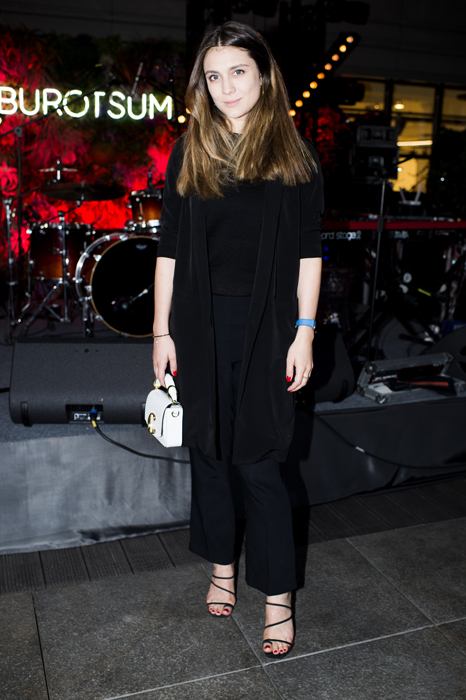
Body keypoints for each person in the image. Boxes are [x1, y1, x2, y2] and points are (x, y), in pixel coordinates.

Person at [152, 20, 323, 659]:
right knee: (207, 452)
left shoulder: (294, 156)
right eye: (214, 76)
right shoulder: (190, 150)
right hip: (196, 325)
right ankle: (221, 565)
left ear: (264, 75)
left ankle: (278, 596)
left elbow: (309, 253)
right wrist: (161, 331)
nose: (226, 87)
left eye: (238, 72)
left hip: (268, 328)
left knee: (259, 461)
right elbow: (169, 248)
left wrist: (305, 333)